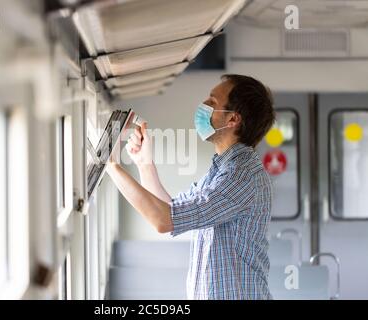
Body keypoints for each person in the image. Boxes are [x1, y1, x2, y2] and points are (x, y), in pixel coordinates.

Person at [106, 74, 275, 300]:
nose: (203, 106)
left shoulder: (242, 175)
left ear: (233, 119)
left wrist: (110, 165)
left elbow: (164, 220)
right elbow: (170, 208)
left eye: (213, 102)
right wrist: (144, 163)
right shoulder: (220, 170)